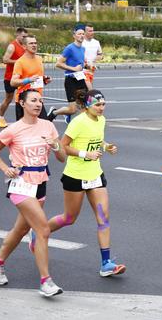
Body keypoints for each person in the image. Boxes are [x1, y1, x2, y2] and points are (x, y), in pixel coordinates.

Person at [0, 89, 67, 297]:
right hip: (20, 184)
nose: (38, 104)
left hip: (40, 183)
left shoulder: (48, 126)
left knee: (21, 230)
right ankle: (46, 281)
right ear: (22, 103)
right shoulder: (14, 129)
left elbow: (61, 158)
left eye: (40, 101)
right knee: (43, 230)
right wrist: (5, 168)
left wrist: (56, 145)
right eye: (33, 100)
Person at [42, 89, 126, 277]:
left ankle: (106, 263)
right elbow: (63, 146)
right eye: (97, 105)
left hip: (95, 175)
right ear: (87, 105)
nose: (101, 108)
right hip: (75, 176)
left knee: (103, 218)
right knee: (69, 218)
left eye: (103, 104)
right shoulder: (78, 122)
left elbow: (96, 139)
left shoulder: (101, 120)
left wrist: (106, 146)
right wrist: (84, 154)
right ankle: (40, 232)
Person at [47, 26, 87, 123]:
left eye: (83, 34)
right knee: (72, 109)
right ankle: (54, 112)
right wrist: (73, 69)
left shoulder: (83, 48)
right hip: (71, 80)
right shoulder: (69, 48)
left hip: (80, 79)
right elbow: (58, 63)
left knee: (84, 105)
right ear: (74, 36)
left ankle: (83, 126)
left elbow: (79, 63)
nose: (81, 36)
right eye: (79, 34)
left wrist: (87, 66)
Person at [11, 35, 51, 120]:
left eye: (35, 43)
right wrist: (28, 80)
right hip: (24, 101)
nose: (34, 45)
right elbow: (13, 82)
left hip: (37, 99)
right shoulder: (20, 62)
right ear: (24, 46)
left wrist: (44, 79)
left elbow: (37, 77)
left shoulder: (39, 59)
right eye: (31, 43)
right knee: (24, 130)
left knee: (43, 125)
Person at [0, 27, 28, 128]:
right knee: (8, 99)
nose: (25, 38)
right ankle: (0, 117)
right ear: (17, 35)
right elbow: (5, 60)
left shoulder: (25, 45)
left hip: (22, 77)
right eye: (23, 36)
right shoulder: (12, 46)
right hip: (10, 77)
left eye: (26, 37)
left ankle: (23, 119)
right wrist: (19, 62)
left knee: (24, 98)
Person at [82, 24, 103, 89]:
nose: (92, 32)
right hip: (82, 70)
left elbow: (100, 55)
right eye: (90, 31)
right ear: (85, 32)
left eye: (92, 31)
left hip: (91, 70)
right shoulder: (81, 42)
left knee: (85, 92)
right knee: (90, 90)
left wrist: (97, 58)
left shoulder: (96, 42)